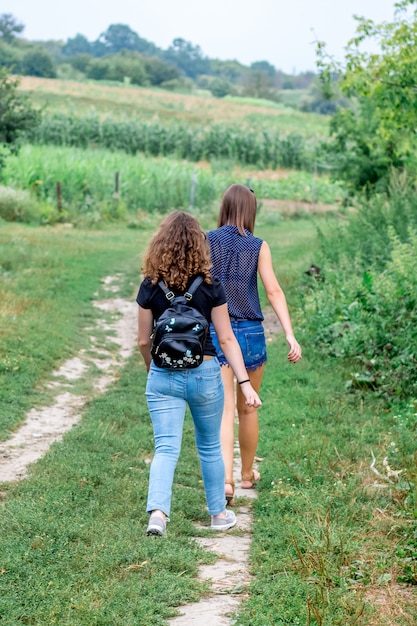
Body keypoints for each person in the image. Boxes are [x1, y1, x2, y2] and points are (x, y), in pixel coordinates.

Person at [137, 210, 262, 536]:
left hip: (163, 375)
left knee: (166, 447)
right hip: (206, 371)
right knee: (208, 446)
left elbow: (141, 340)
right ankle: (218, 516)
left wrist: (155, 371)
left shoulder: (150, 286)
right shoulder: (210, 286)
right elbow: (225, 339)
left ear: (159, 244)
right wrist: (245, 382)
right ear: (199, 245)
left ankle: (158, 515)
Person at [207, 184, 302, 504]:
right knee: (249, 408)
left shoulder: (208, 240)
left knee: (223, 412)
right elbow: (274, 291)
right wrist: (289, 333)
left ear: (225, 207)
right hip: (250, 334)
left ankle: (226, 482)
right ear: (251, 211)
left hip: (218, 334)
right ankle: (247, 475)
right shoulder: (258, 246)